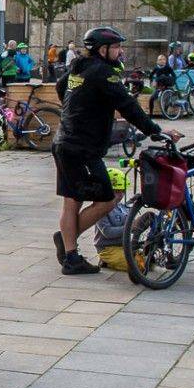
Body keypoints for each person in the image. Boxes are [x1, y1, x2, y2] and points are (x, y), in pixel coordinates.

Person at [54, 27, 169, 274]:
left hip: (65, 141)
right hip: (83, 147)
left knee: (71, 201)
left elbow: (60, 87)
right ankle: (67, 242)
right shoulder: (103, 73)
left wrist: (78, 109)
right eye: (116, 47)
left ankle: (71, 254)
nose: (120, 51)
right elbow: (127, 105)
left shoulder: (79, 66)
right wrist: (154, 130)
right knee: (107, 198)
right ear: (102, 49)